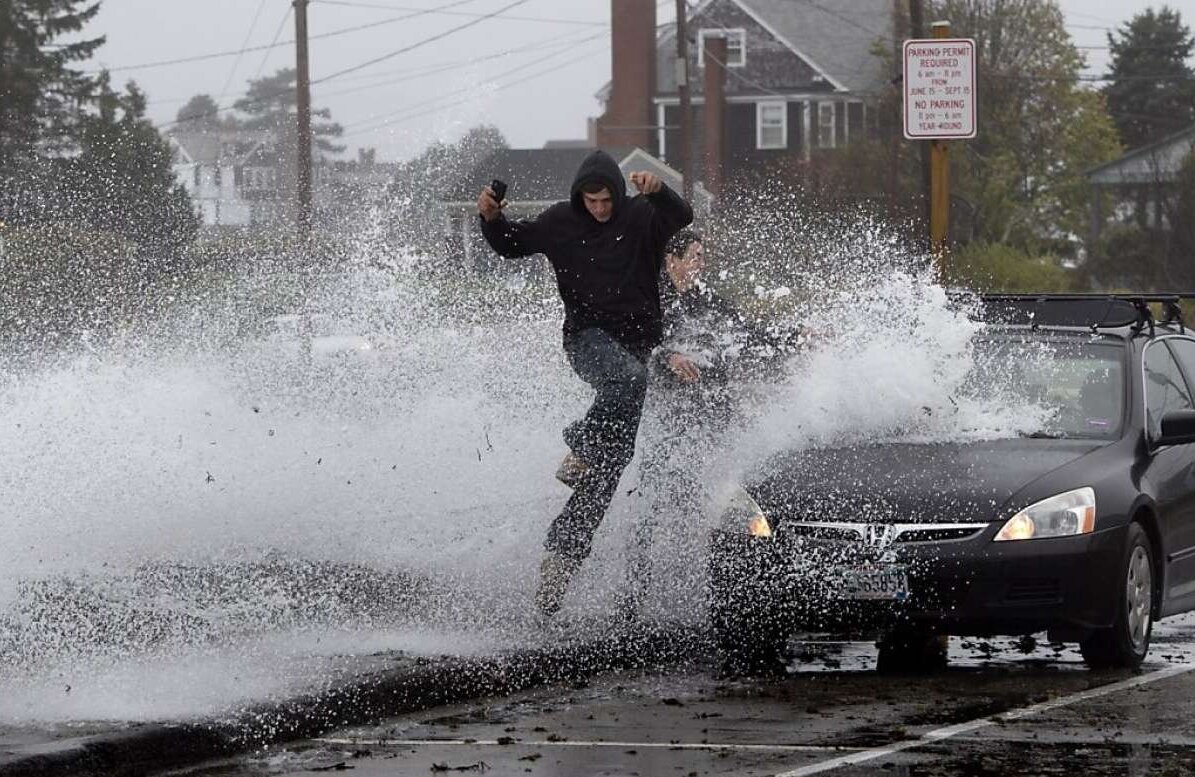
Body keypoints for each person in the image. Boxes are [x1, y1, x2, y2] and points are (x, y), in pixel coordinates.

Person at [476, 149, 693, 619]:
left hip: (637, 349)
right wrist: (490, 219)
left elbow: (683, 215)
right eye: (590, 201)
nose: (599, 208)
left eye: (605, 200)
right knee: (628, 384)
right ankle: (580, 444)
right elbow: (511, 244)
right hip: (586, 340)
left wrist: (660, 190)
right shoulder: (560, 221)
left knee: (609, 471)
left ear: (618, 193)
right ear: (579, 197)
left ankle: (559, 561)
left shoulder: (641, 217)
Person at [618, 229, 802, 622]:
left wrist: (795, 337)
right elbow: (633, 345)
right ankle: (630, 602)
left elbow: (749, 336)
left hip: (710, 419)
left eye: (703, 256)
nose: (701, 263)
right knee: (650, 508)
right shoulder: (651, 300)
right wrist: (667, 358)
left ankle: (696, 600)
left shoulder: (706, 301)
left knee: (707, 507)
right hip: (665, 422)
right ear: (672, 260)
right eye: (695, 256)